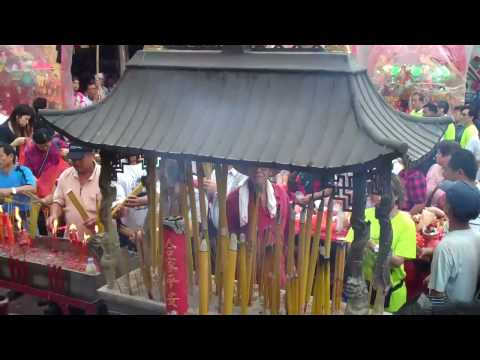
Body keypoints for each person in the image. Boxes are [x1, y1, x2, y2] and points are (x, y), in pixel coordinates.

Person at [345, 175, 417, 313]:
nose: (376, 197)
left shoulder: (406, 224)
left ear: (396, 196)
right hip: (362, 290)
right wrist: (359, 245)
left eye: (381, 193)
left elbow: (396, 261)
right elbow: (349, 248)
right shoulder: (365, 215)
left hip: (388, 292)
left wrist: (372, 245)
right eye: (375, 192)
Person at [427, 180, 480, 307]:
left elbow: (436, 296)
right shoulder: (477, 238)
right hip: (468, 305)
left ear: (448, 207)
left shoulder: (445, 247)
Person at [47, 144, 101, 238]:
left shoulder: (105, 177)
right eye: (73, 159)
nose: (76, 163)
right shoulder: (66, 175)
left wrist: (100, 219)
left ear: (92, 155)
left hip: (99, 241)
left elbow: (119, 209)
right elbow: (58, 201)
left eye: (80, 159)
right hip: (72, 239)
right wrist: (54, 215)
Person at [113, 154, 147, 250]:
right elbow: (118, 201)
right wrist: (119, 209)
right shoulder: (116, 168)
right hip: (129, 232)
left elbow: (162, 194)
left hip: (153, 229)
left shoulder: (153, 161)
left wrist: (143, 200)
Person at [0, 143, 36, 216]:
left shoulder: (23, 170)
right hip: (5, 215)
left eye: (0, 156)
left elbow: (32, 188)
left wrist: (11, 190)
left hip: (26, 213)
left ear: (11, 156)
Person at [425, 141, 461, 209]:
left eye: (439, 153)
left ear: (448, 156)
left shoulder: (454, 178)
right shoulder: (434, 167)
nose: (436, 155)